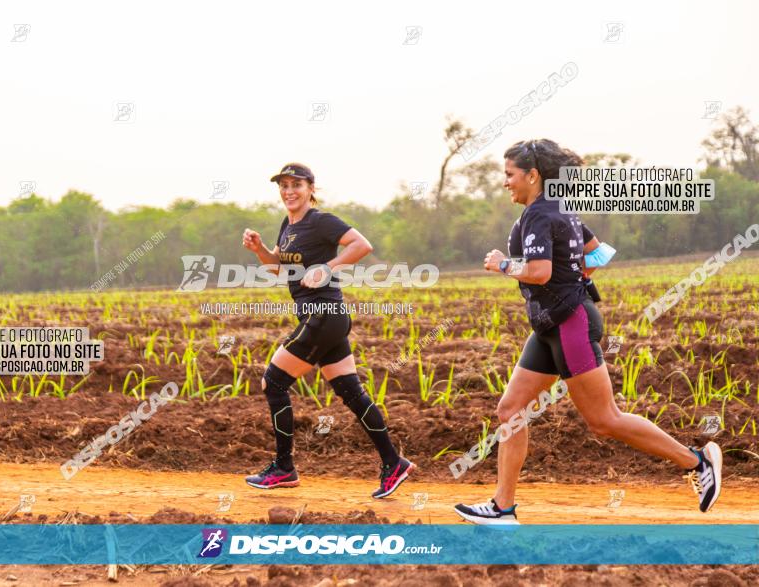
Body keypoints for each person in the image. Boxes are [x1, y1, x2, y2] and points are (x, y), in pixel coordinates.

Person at [454, 139, 722, 524]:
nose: (505, 182)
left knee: (604, 420)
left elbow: (540, 272)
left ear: (532, 176)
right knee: (510, 410)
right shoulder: (555, 209)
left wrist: (503, 265)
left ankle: (697, 463)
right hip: (551, 324)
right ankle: (503, 508)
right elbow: (598, 254)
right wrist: (574, 279)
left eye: (509, 175)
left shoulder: (541, 214)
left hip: (569, 325)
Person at [241, 162, 415, 498]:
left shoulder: (320, 220)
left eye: (296, 185)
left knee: (274, 382)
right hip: (326, 318)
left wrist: (326, 267)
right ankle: (393, 463)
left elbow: (361, 244)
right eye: (284, 185)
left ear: (310, 188)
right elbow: (278, 269)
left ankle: (283, 468)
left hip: (322, 315)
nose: (289, 191)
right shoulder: (287, 225)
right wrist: (259, 249)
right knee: (351, 391)